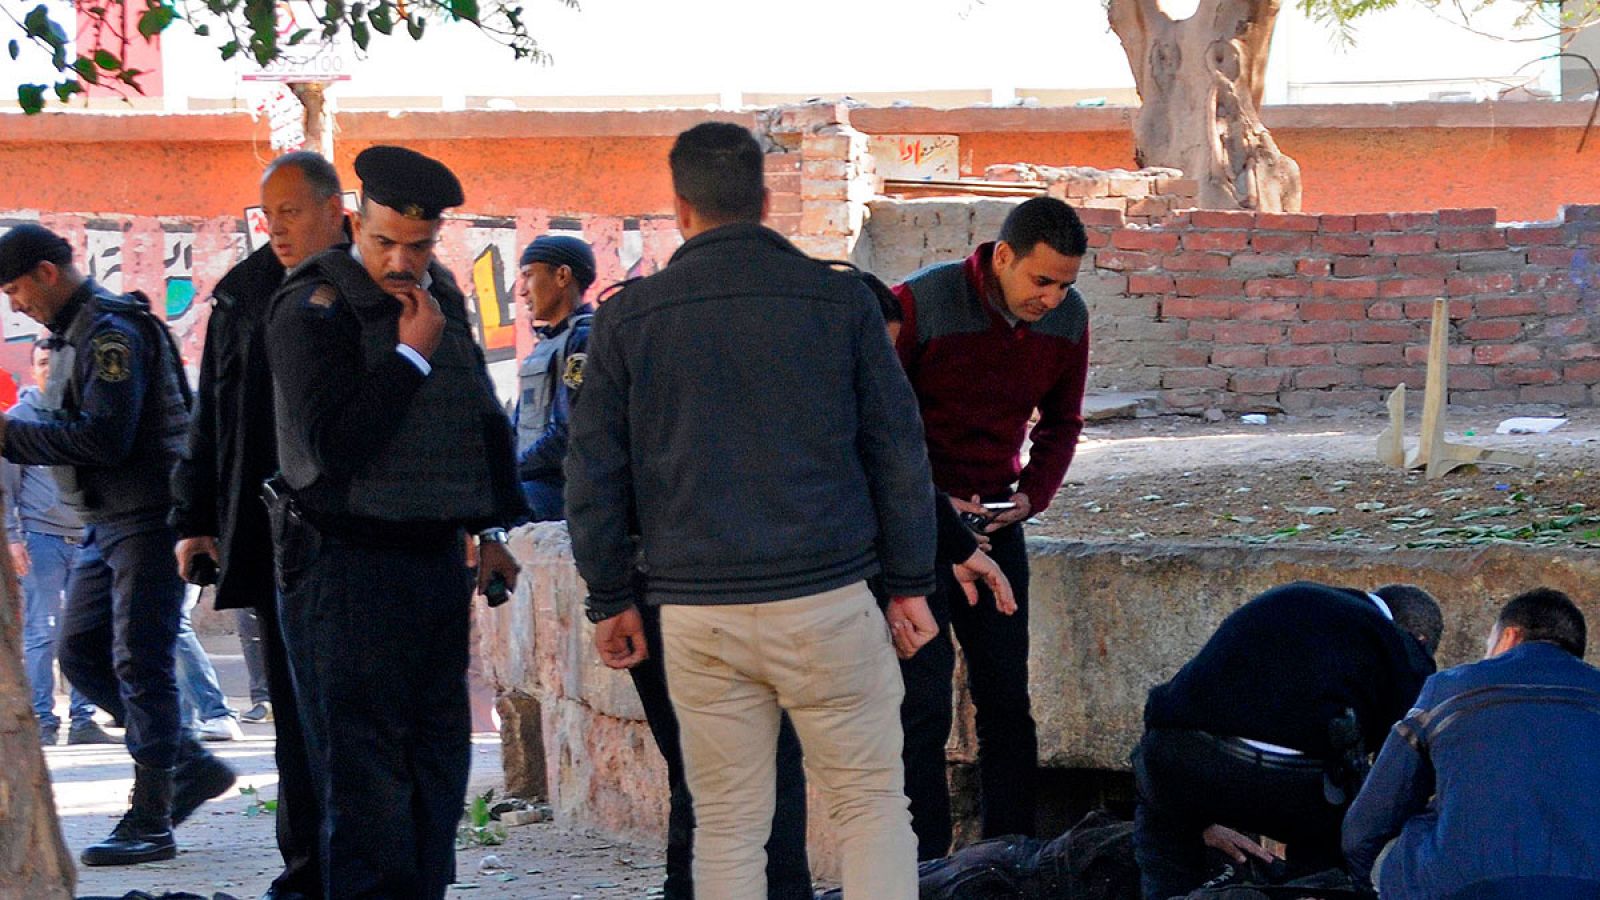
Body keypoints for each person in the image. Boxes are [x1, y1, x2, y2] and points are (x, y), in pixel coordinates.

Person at [566, 122, 939, 900]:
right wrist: (909, 583)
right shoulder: (839, 300)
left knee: (729, 823)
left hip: (698, 616)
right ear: (766, 202)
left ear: (680, 208)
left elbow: (594, 472)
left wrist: (609, 596)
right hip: (829, 600)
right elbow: (898, 451)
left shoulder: (628, 318)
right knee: (872, 807)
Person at [265, 145, 526, 899]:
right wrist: (409, 359)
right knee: (364, 784)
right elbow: (332, 448)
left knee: (436, 770)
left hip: (431, 565)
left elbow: (474, 408)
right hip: (343, 569)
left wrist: (494, 527)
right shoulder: (312, 305)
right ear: (356, 223)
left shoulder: (436, 292)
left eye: (418, 245)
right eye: (385, 243)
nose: (402, 261)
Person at [0, 223, 231, 867]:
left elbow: (105, 439)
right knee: (79, 653)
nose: (14, 304)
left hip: (154, 517)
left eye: (16, 289)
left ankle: (152, 816)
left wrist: (8, 438)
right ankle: (184, 762)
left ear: (48, 273)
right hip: (108, 521)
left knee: (141, 660)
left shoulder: (110, 333)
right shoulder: (71, 335)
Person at [171, 148, 347, 900]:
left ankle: (365, 868)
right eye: (267, 215)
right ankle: (305, 872)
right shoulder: (243, 293)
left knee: (353, 718)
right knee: (294, 717)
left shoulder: (373, 285)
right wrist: (196, 519)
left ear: (336, 209)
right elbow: (210, 414)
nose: (276, 229)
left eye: (292, 213)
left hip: (358, 537)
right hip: (274, 536)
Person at [890, 195, 1090, 845]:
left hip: (999, 525)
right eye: (1042, 281)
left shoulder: (1069, 321)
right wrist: (932, 506)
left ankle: (1013, 853)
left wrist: (1033, 496)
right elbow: (878, 425)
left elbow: (1063, 423)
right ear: (1002, 257)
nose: (1053, 298)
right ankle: (924, 864)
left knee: (1007, 701)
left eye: (1066, 284)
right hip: (917, 524)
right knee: (919, 708)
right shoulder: (920, 303)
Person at [1131, 581, 1441, 900]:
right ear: (1420, 640)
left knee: (1159, 804)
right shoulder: (1403, 647)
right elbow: (1399, 766)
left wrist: (1198, 821)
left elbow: (1166, 708)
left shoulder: (1288, 597)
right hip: (1292, 786)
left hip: (1180, 756)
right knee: (1338, 841)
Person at [865, 270, 1018, 860]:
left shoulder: (875, 390)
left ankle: (926, 868)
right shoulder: (805, 402)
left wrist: (959, 550)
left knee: (922, 717)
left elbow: (902, 476)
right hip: (838, 595)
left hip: (909, 574)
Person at [1344, 588, 1600, 899]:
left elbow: (1370, 819)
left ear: (1509, 637)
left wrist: (1357, 883)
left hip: (1462, 885)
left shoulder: (1448, 688)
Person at [2, 338, 117, 746]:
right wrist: (13, 539)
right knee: (42, 633)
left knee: (82, 634)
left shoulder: (78, 416)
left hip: (86, 538)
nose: (49, 370)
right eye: (42, 363)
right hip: (41, 541)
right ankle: (44, 721)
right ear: (33, 370)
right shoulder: (19, 419)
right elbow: (5, 490)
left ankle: (84, 720)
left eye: (55, 362)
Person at [511, 234, 596, 521]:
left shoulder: (583, 339)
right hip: (533, 479)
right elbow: (519, 425)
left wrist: (510, 473)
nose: (522, 290)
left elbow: (568, 434)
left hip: (560, 489)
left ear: (562, 276)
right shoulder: (547, 344)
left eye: (528, 275)